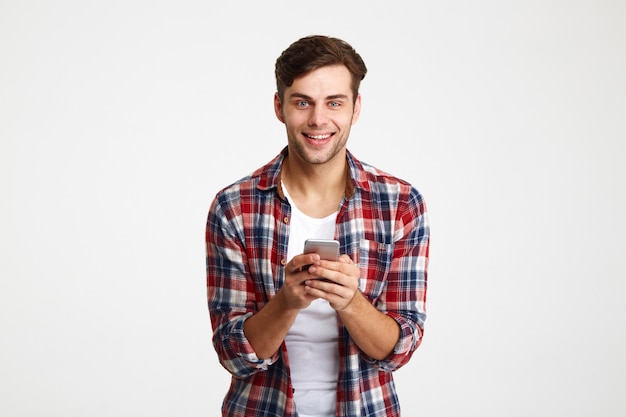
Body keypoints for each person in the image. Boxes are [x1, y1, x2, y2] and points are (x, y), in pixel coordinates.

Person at [205, 35, 430, 417]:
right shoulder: (234, 207)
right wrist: (288, 300)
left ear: (356, 108)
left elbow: (399, 349)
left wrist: (350, 301)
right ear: (280, 106)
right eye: (302, 102)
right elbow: (233, 356)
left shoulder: (400, 204)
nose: (318, 120)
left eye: (334, 103)